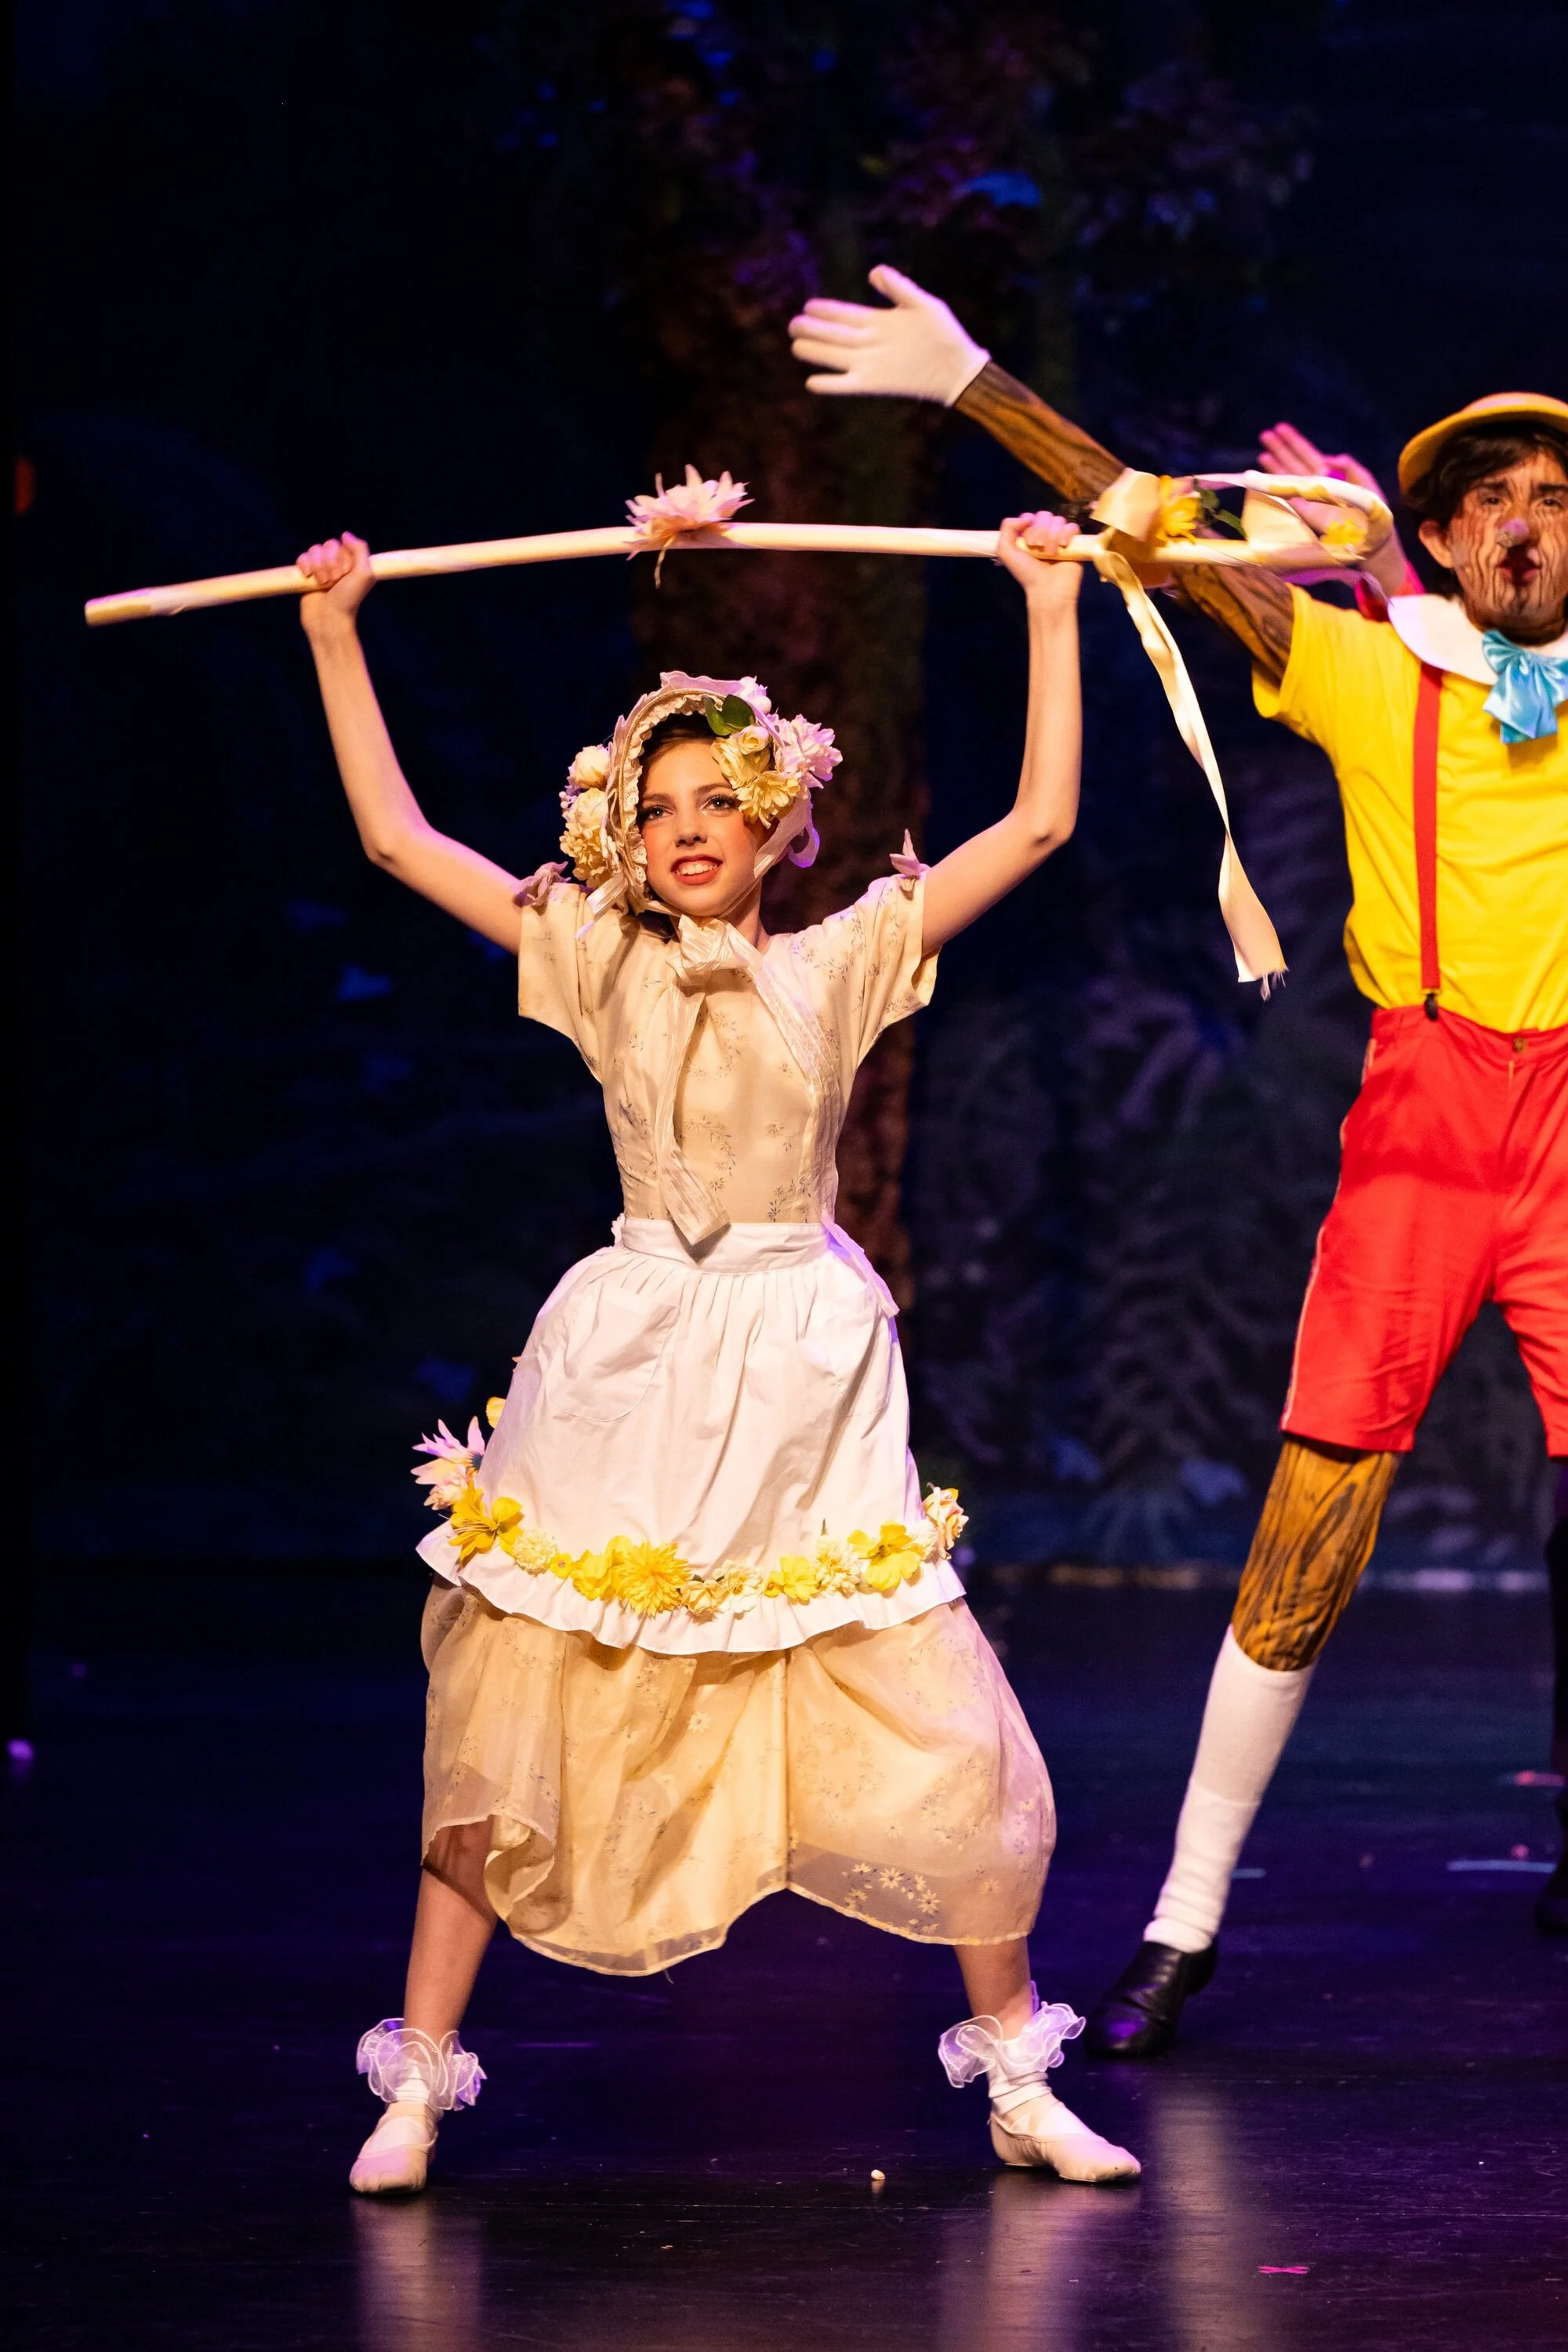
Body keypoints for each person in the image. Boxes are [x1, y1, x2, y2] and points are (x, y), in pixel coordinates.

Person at [295, 510, 1142, 2191]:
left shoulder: (840, 963)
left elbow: (1040, 821)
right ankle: (420, 2078)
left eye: (714, 803)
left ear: (777, 821)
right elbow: (398, 842)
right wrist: (338, 626)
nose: (683, 830)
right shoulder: (593, 957)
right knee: (522, 1705)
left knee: (929, 1712)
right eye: (653, 806)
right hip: (625, 1356)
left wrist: (1051, 605)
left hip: (806, 1363)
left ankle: (1016, 2076)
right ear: (619, 832)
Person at [789, 268, 1568, 2049]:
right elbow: (1146, 522)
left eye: (1555, 498)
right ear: (1440, 544)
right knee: (1310, 1523)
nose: (1526, 526)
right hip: (1430, 1122)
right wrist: (975, 382)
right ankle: (1185, 1918)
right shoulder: (1369, 677)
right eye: (1493, 504)